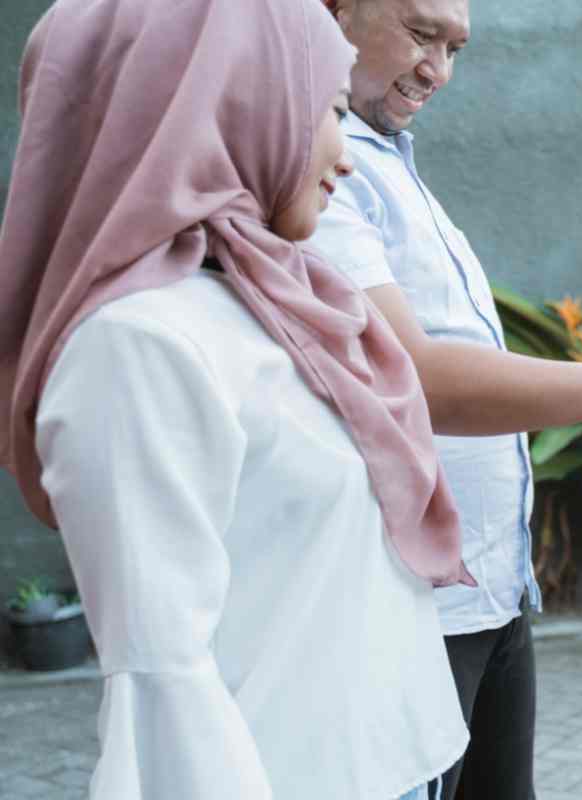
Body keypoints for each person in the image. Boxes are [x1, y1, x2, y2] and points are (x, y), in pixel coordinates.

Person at [0, 0, 471, 797]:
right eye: (323, 108)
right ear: (219, 109)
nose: (346, 156)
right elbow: (163, 685)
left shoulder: (270, 297)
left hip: (390, 762)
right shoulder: (139, 346)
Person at [310, 2, 582, 798]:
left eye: (454, 48)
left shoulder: (387, 163)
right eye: (420, 35)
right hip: (411, 606)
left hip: (488, 594)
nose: (438, 71)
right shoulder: (321, 173)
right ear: (334, 12)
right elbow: (419, 378)